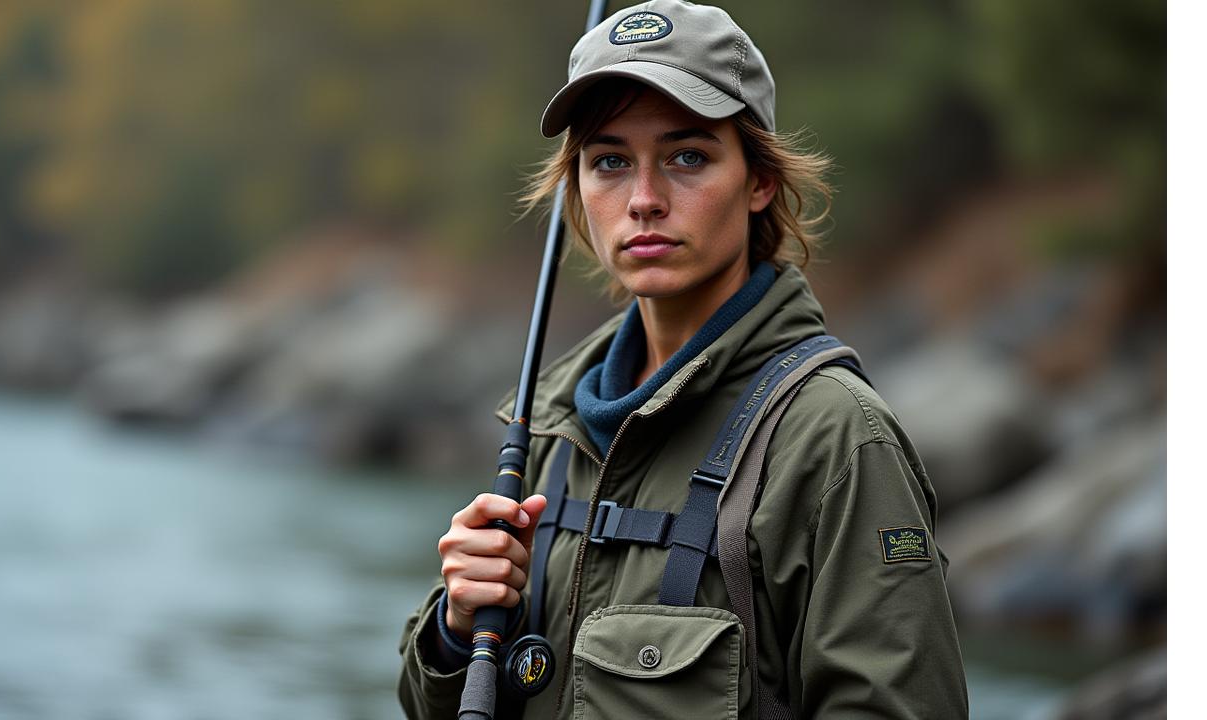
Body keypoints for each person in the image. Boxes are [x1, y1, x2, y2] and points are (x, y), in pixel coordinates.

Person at [399, 1, 969, 717]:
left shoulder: (838, 437)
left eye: (687, 157)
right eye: (609, 162)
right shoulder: (551, 426)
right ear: (577, 188)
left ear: (759, 181)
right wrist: (457, 631)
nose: (643, 200)